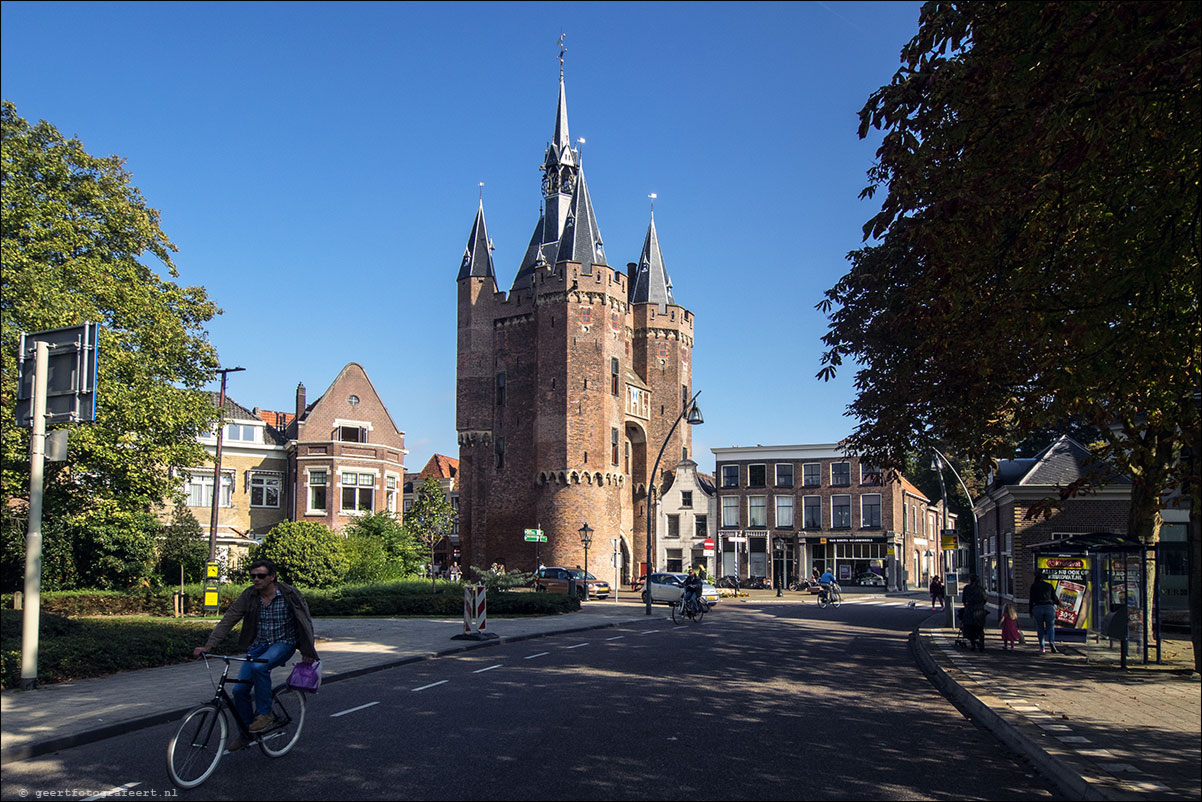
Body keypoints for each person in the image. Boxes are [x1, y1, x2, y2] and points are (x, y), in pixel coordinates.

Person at [193, 559, 318, 751]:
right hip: (259, 645)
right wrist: (209, 645)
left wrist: (308, 651)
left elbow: (305, 621)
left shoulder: (289, 594)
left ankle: (265, 714)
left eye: (261, 576)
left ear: (272, 577)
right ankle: (246, 733)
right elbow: (229, 618)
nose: (256, 580)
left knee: (260, 667)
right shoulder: (250, 595)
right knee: (239, 691)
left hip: (284, 643)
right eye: (253, 576)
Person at [1029, 569, 1059, 654]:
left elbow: (1031, 600)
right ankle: (1051, 642)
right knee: (1050, 627)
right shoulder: (1049, 585)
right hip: (1049, 607)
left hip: (1038, 607)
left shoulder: (1034, 586)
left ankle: (1042, 647)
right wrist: (1059, 603)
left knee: (1040, 628)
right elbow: (1055, 598)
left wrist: (1030, 611)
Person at [961, 573, 988, 651]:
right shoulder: (981, 589)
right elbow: (985, 599)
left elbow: (964, 600)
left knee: (970, 629)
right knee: (980, 629)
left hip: (969, 611)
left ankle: (973, 644)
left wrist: (967, 606)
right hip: (979, 611)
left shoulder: (966, 588)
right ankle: (981, 643)